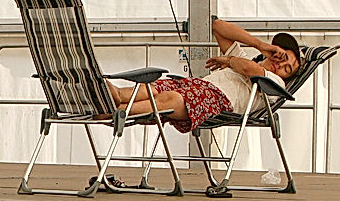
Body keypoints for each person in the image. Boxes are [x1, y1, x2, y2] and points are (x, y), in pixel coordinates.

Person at [105, 18, 301, 133]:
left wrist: (229, 61)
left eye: (287, 68)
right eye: (282, 56)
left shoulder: (276, 83)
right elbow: (218, 26)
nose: (281, 64)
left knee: (171, 98)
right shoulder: (245, 58)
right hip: (196, 86)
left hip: (217, 100)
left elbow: (250, 70)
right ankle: (115, 96)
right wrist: (260, 45)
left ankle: (115, 112)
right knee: (157, 87)